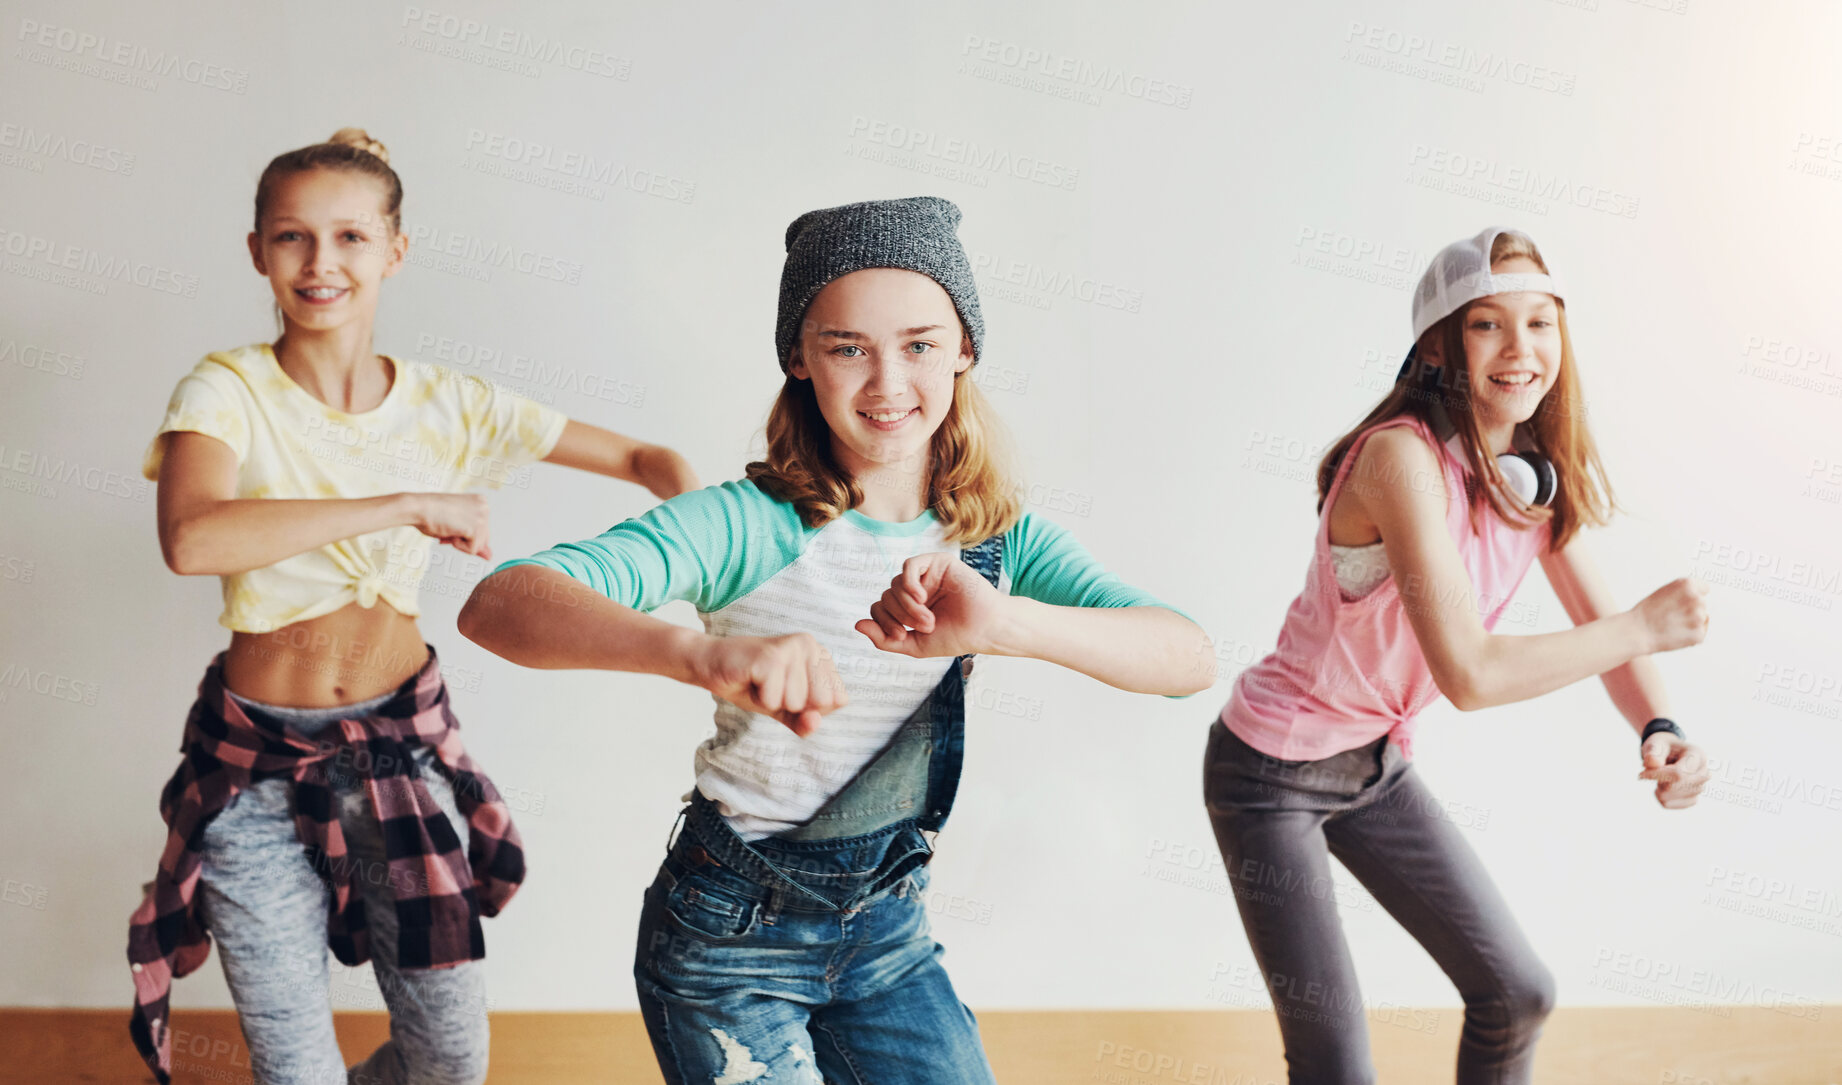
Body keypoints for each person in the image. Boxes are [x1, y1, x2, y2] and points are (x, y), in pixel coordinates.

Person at [459, 196, 1214, 1084]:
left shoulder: (995, 541)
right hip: (728, 936)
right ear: (799, 358)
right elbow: (500, 604)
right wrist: (702, 655)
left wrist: (1005, 622)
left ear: (965, 349)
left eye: (921, 344)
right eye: (848, 346)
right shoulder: (750, 525)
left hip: (889, 930)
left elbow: (1187, 660)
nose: (888, 382)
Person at [126, 127, 698, 1085]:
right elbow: (191, 538)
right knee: (294, 1068)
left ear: (396, 248)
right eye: (292, 238)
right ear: (257, 250)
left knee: (449, 1062)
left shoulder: (449, 405)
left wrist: (707, 538)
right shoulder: (226, 390)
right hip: (253, 767)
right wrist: (404, 502)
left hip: (400, 749)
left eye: (351, 237)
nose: (321, 263)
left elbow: (648, 461)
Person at [1204, 225, 1714, 1085]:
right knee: (1337, 1070)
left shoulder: (1526, 473)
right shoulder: (1402, 461)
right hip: (1270, 772)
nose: (1522, 350)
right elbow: (1470, 674)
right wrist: (1643, 628)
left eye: (1541, 323)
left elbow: (1598, 611)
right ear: (1440, 345)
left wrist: (1657, 723)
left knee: (1517, 992)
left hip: (1371, 761)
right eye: (1488, 325)